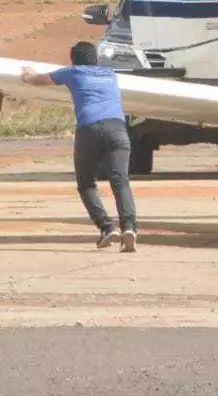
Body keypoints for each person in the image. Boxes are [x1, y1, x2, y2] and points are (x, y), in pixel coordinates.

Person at [21, 41, 138, 252]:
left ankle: (106, 227)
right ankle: (129, 227)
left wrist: (27, 73)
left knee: (86, 183)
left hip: (90, 129)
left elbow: (37, 80)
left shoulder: (73, 72)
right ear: (96, 59)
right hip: (118, 129)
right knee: (120, 181)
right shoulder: (110, 74)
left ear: (73, 60)